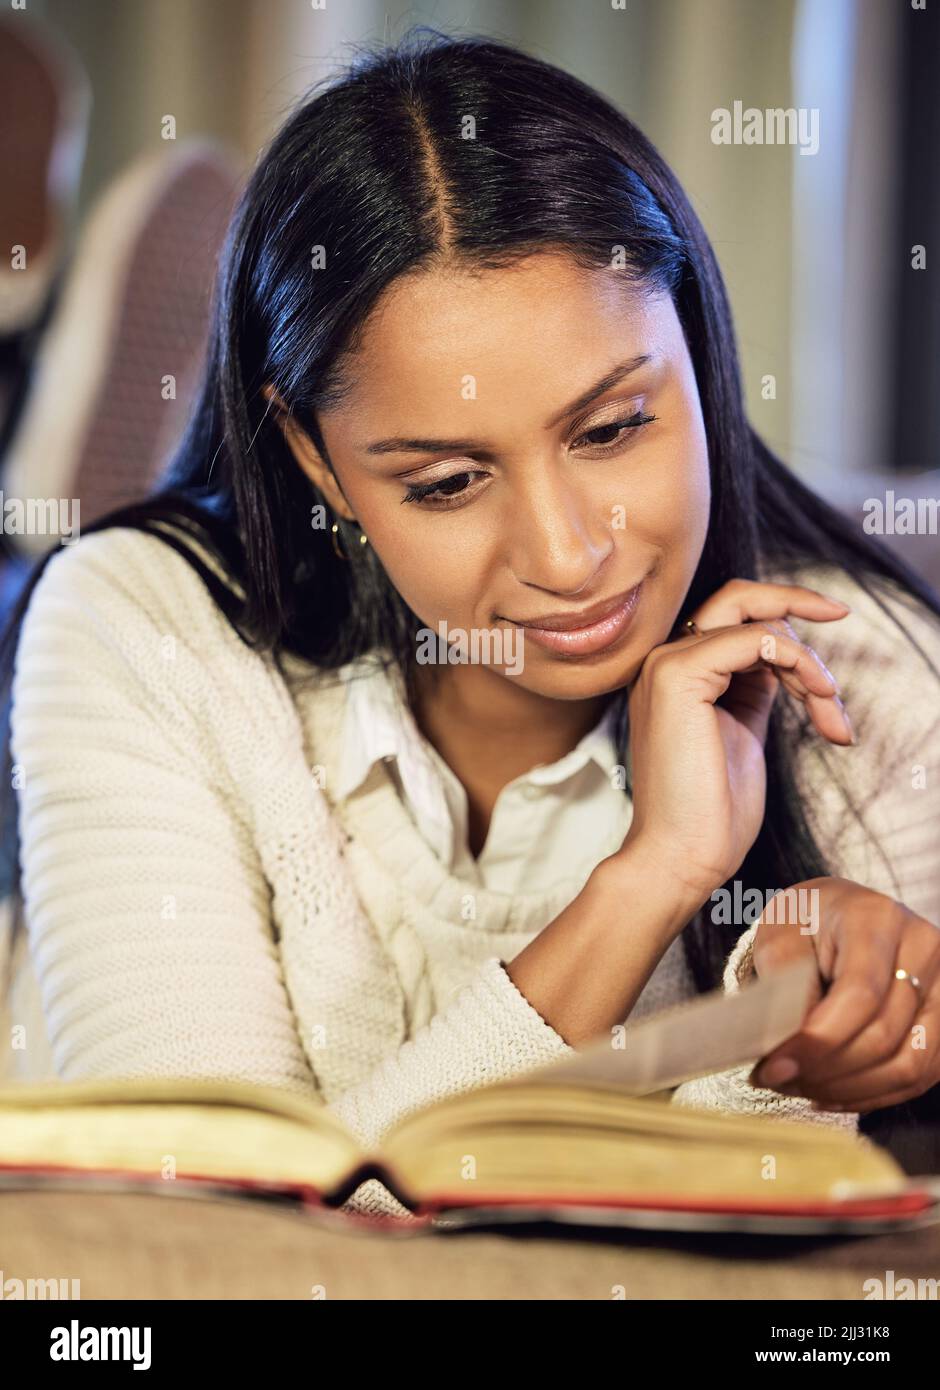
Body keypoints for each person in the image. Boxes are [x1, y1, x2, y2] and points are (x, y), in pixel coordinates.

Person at [2, 33, 939, 1218]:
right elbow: (211, 1231)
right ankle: (37, 385)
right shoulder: (139, 622)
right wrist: (646, 882)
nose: (567, 557)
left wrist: (786, 1033)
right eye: (446, 481)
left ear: (695, 356)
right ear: (313, 458)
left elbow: (731, 1252)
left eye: (610, 429)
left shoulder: (864, 680)